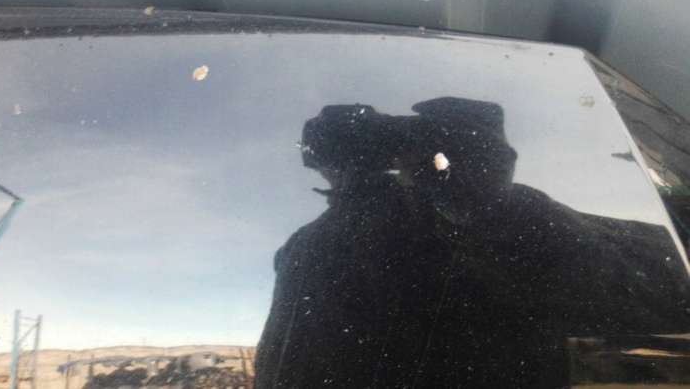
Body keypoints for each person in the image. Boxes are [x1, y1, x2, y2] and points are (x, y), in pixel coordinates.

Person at [255, 97, 690, 388]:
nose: (367, 158)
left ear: (318, 165)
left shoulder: (306, 247)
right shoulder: (309, 249)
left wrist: (483, 201)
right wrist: (488, 202)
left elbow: (664, 294)